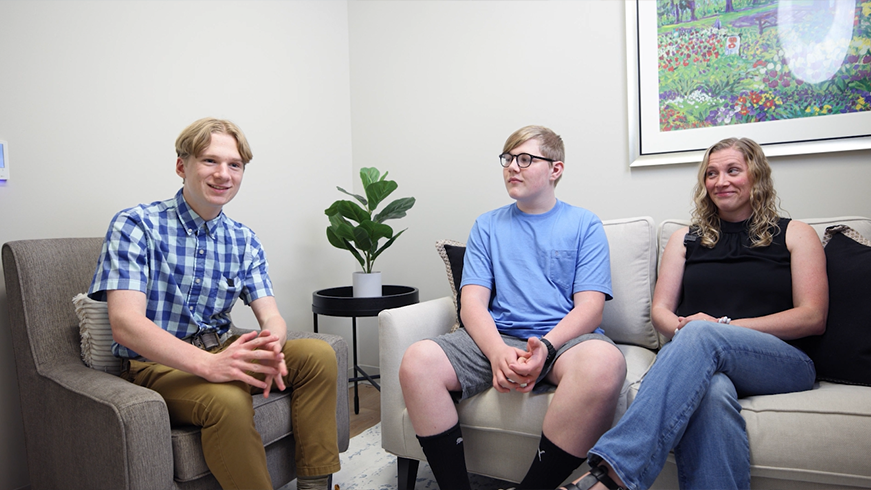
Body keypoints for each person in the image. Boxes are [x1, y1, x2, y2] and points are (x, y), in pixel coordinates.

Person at [560, 137, 828, 490]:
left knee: (702, 334)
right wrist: (694, 330)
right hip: (701, 356)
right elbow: (660, 311)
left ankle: (612, 474)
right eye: (711, 173)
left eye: (733, 170)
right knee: (712, 392)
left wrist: (721, 328)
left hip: (781, 363)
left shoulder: (795, 234)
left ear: (757, 176)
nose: (721, 181)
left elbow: (812, 316)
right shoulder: (685, 239)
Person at [88, 118, 340, 490]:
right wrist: (210, 365)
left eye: (234, 165)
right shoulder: (136, 225)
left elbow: (270, 313)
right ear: (181, 166)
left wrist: (271, 341)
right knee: (227, 400)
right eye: (210, 161)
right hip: (157, 365)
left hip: (223, 348)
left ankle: (316, 484)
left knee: (319, 356)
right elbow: (126, 324)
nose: (223, 174)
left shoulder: (244, 240)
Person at [399, 125, 627, 489]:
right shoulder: (487, 225)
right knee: (417, 361)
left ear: (556, 169)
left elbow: (590, 309)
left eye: (524, 159)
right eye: (507, 159)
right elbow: (471, 303)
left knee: (606, 363)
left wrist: (546, 348)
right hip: (498, 336)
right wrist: (497, 353)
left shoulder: (584, 224)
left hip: (562, 341)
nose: (512, 168)